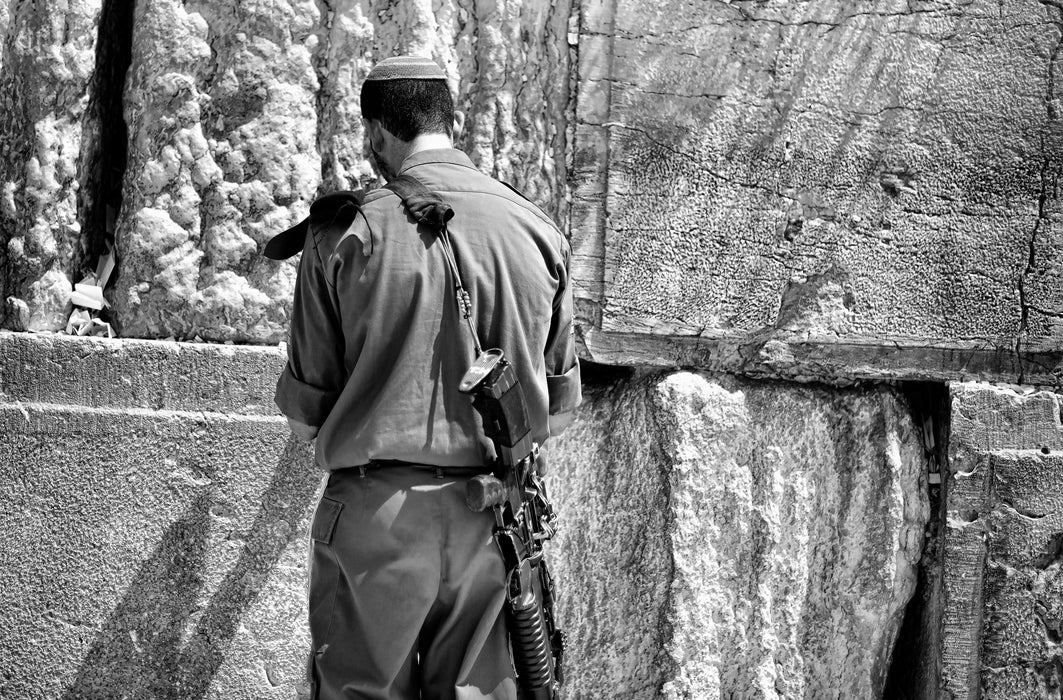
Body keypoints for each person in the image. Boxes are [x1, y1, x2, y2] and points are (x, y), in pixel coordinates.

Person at [268, 55, 582, 700]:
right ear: (451, 120)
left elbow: (305, 414)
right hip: (492, 520)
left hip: (377, 517)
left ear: (376, 132)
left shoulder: (345, 232)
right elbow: (561, 408)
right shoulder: (537, 231)